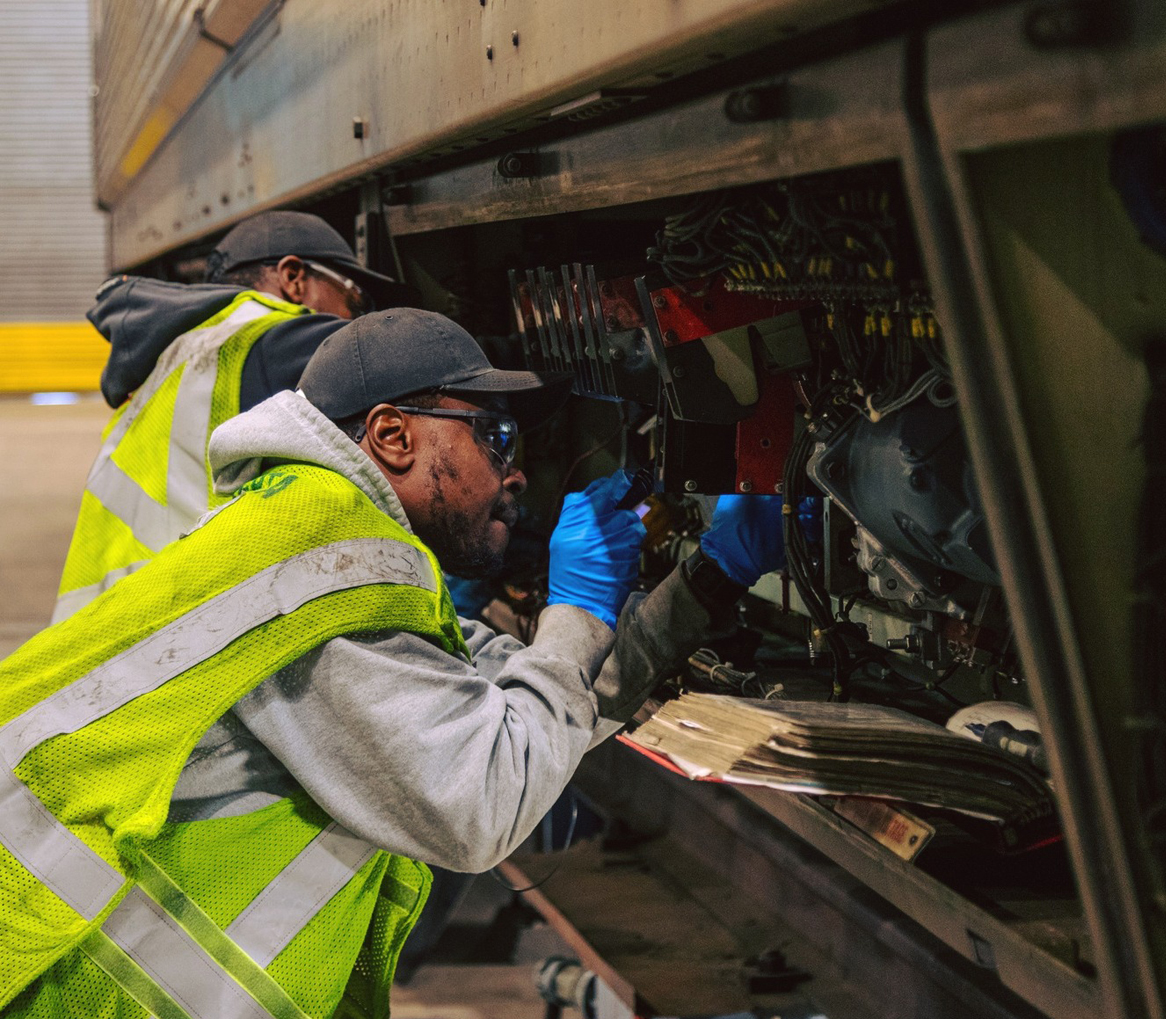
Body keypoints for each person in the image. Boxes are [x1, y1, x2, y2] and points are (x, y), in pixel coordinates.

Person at [0, 308, 784, 1017]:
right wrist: (575, 609)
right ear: (393, 435)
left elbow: (538, 711)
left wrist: (710, 574)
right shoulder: (323, 574)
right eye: (493, 437)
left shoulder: (317, 548)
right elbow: (482, 796)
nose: (513, 474)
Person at [52, 209, 412, 622]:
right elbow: (391, 355)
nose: (353, 319)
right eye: (356, 300)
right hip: (167, 620)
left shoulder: (186, 348)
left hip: (104, 615)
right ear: (294, 278)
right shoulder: (271, 336)